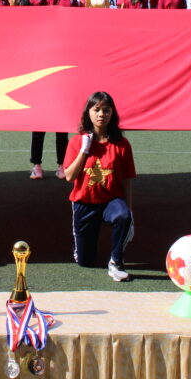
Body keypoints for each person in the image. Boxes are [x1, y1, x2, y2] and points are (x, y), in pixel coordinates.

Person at [61, 91, 136, 282]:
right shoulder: (76, 142)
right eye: (97, 109)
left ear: (112, 114)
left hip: (111, 200)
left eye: (106, 110)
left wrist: (130, 211)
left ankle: (116, 262)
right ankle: (80, 247)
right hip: (84, 203)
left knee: (123, 216)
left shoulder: (122, 144)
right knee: (85, 261)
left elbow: (127, 180)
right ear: (88, 112)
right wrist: (84, 150)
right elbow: (69, 176)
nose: (101, 114)